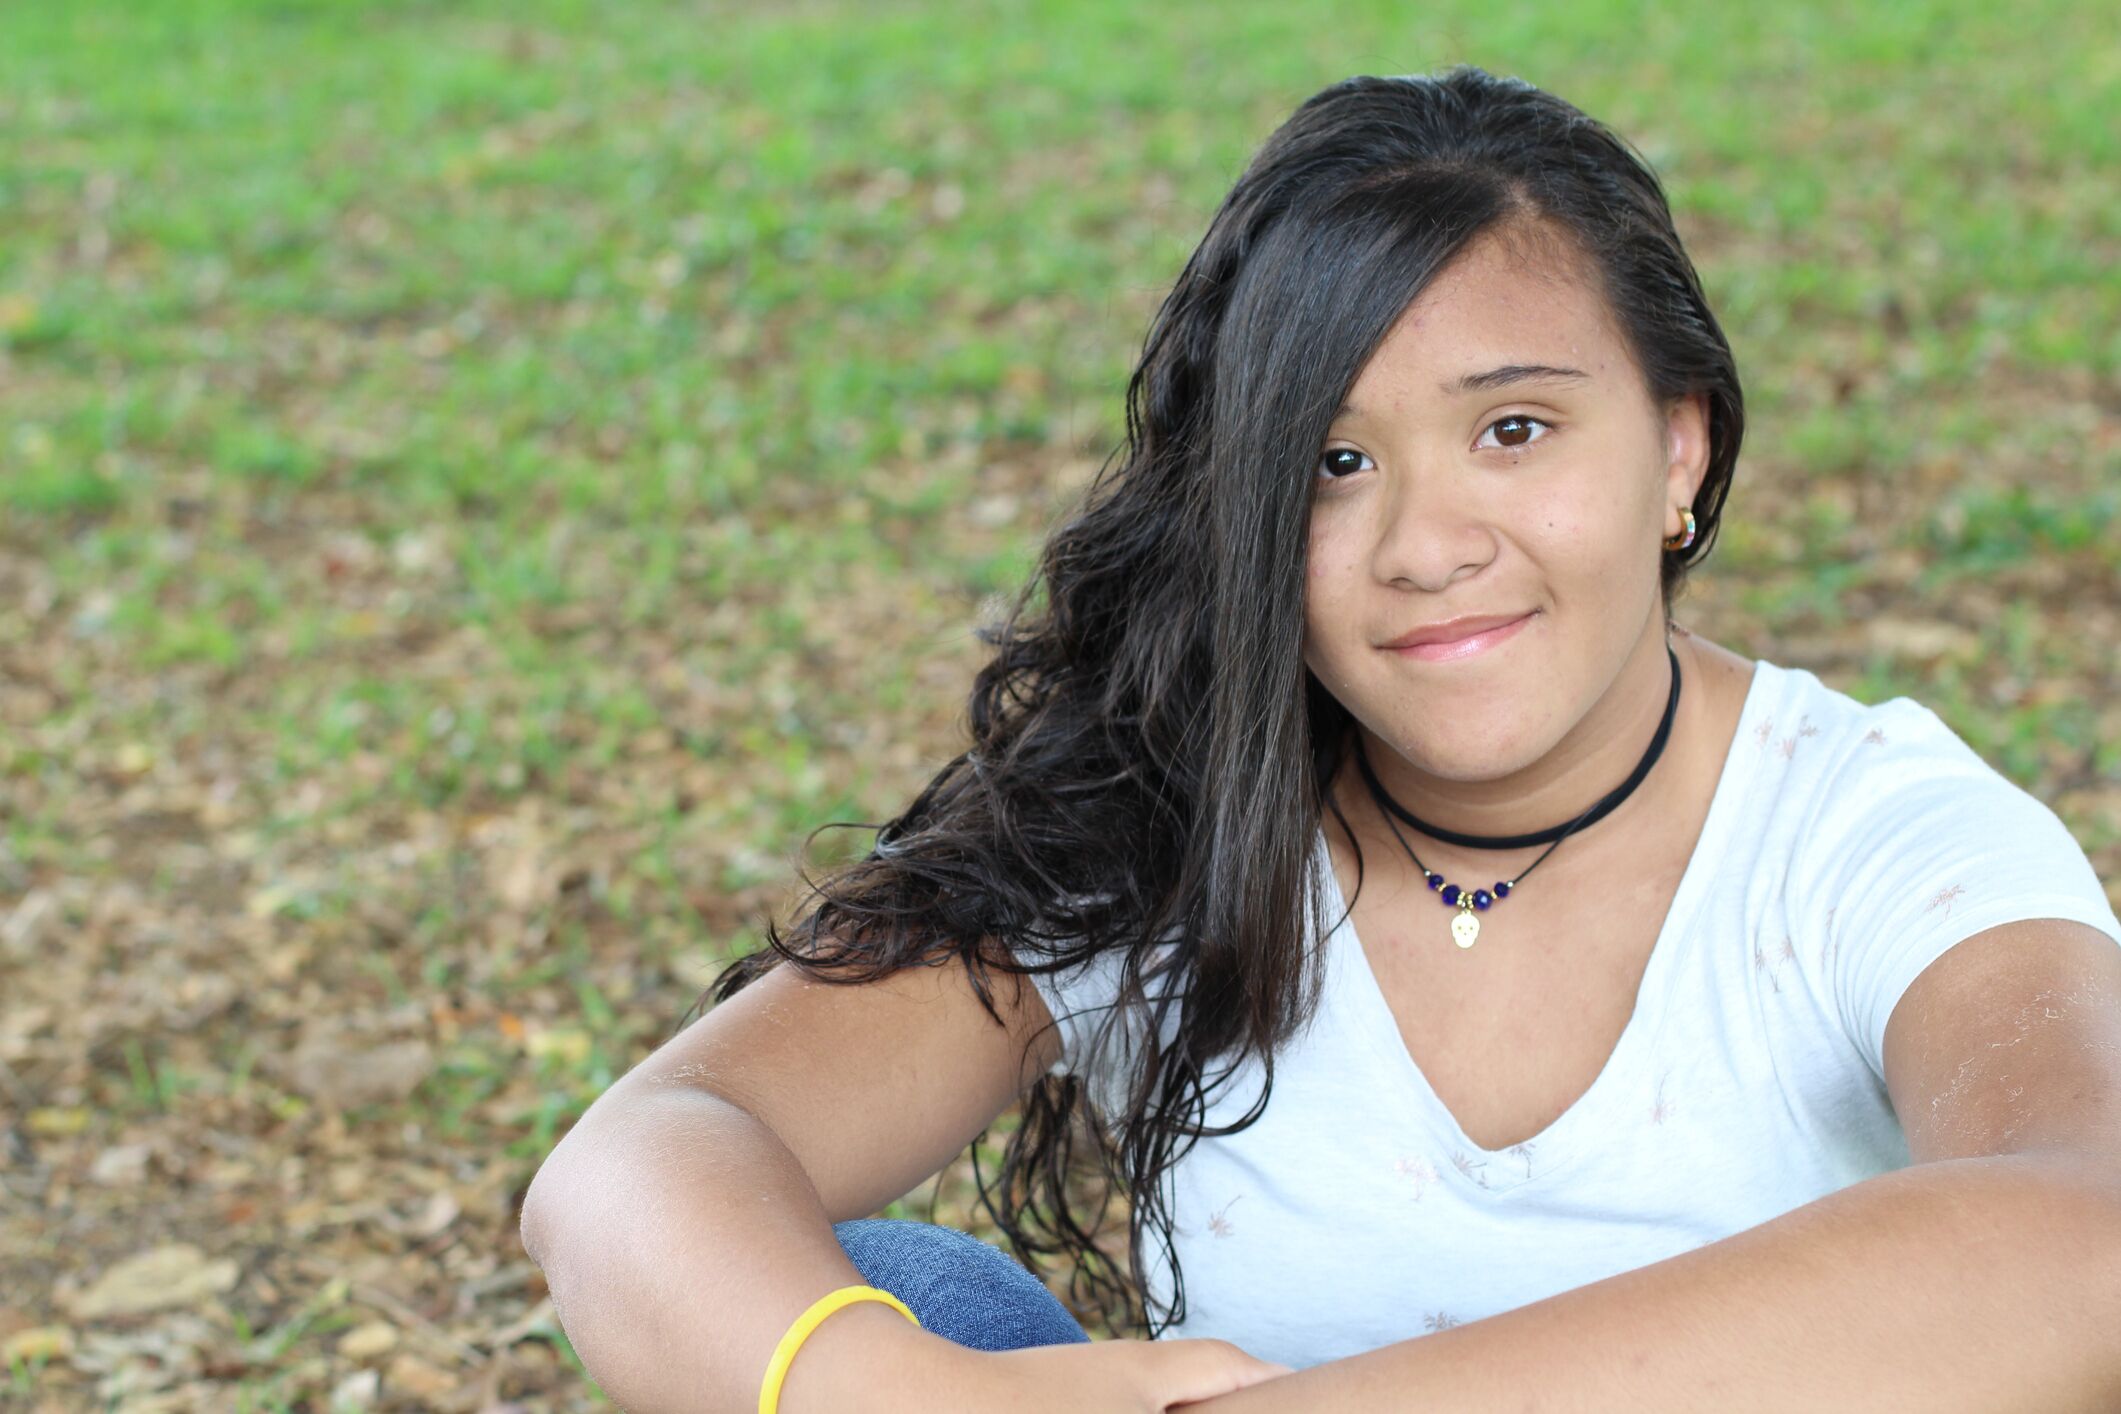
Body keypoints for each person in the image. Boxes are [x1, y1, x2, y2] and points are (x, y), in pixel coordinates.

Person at [518, 65, 2121, 1412]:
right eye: (1334, 463)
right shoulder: (1176, 811)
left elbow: (2090, 1229)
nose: (1425, 542)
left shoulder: (1864, 828)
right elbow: (634, 1165)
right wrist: (903, 1389)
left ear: (1677, 446)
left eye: (1513, 428)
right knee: (870, 1293)